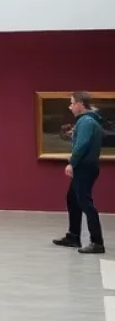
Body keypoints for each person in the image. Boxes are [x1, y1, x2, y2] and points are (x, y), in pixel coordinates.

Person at [53, 91, 105, 255]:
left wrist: (72, 163)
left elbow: (82, 145)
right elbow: (83, 141)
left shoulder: (86, 122)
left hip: (84, 167)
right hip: (87, 166)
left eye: (72, 103)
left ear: (81, 104)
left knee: (85, 202)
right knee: (73, 199)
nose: (70, 107)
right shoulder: (88, 121)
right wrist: (71, 135)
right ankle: (73, 236)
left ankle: (97, 242)